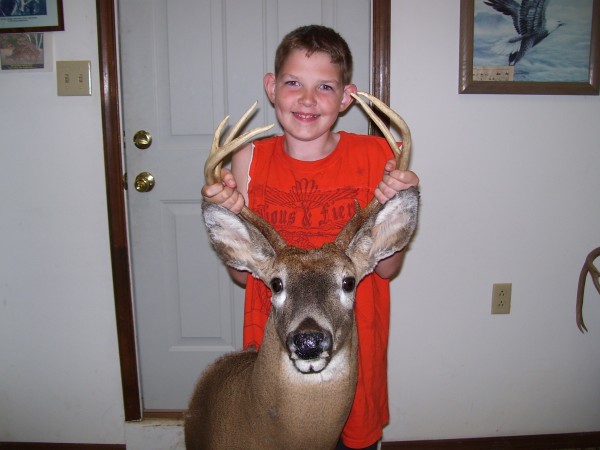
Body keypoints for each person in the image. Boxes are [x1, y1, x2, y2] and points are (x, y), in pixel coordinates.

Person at [201, 24, 419, 450]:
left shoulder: (378, 157)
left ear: (346, 97)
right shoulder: (249, 160)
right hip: (279, 339)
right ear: (271, 87)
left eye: (324, 87)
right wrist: (226, 212)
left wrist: (401, 199)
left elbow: (387, 266)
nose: (306, 99)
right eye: (293, 83)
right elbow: (245, 275)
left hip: (352, 340)